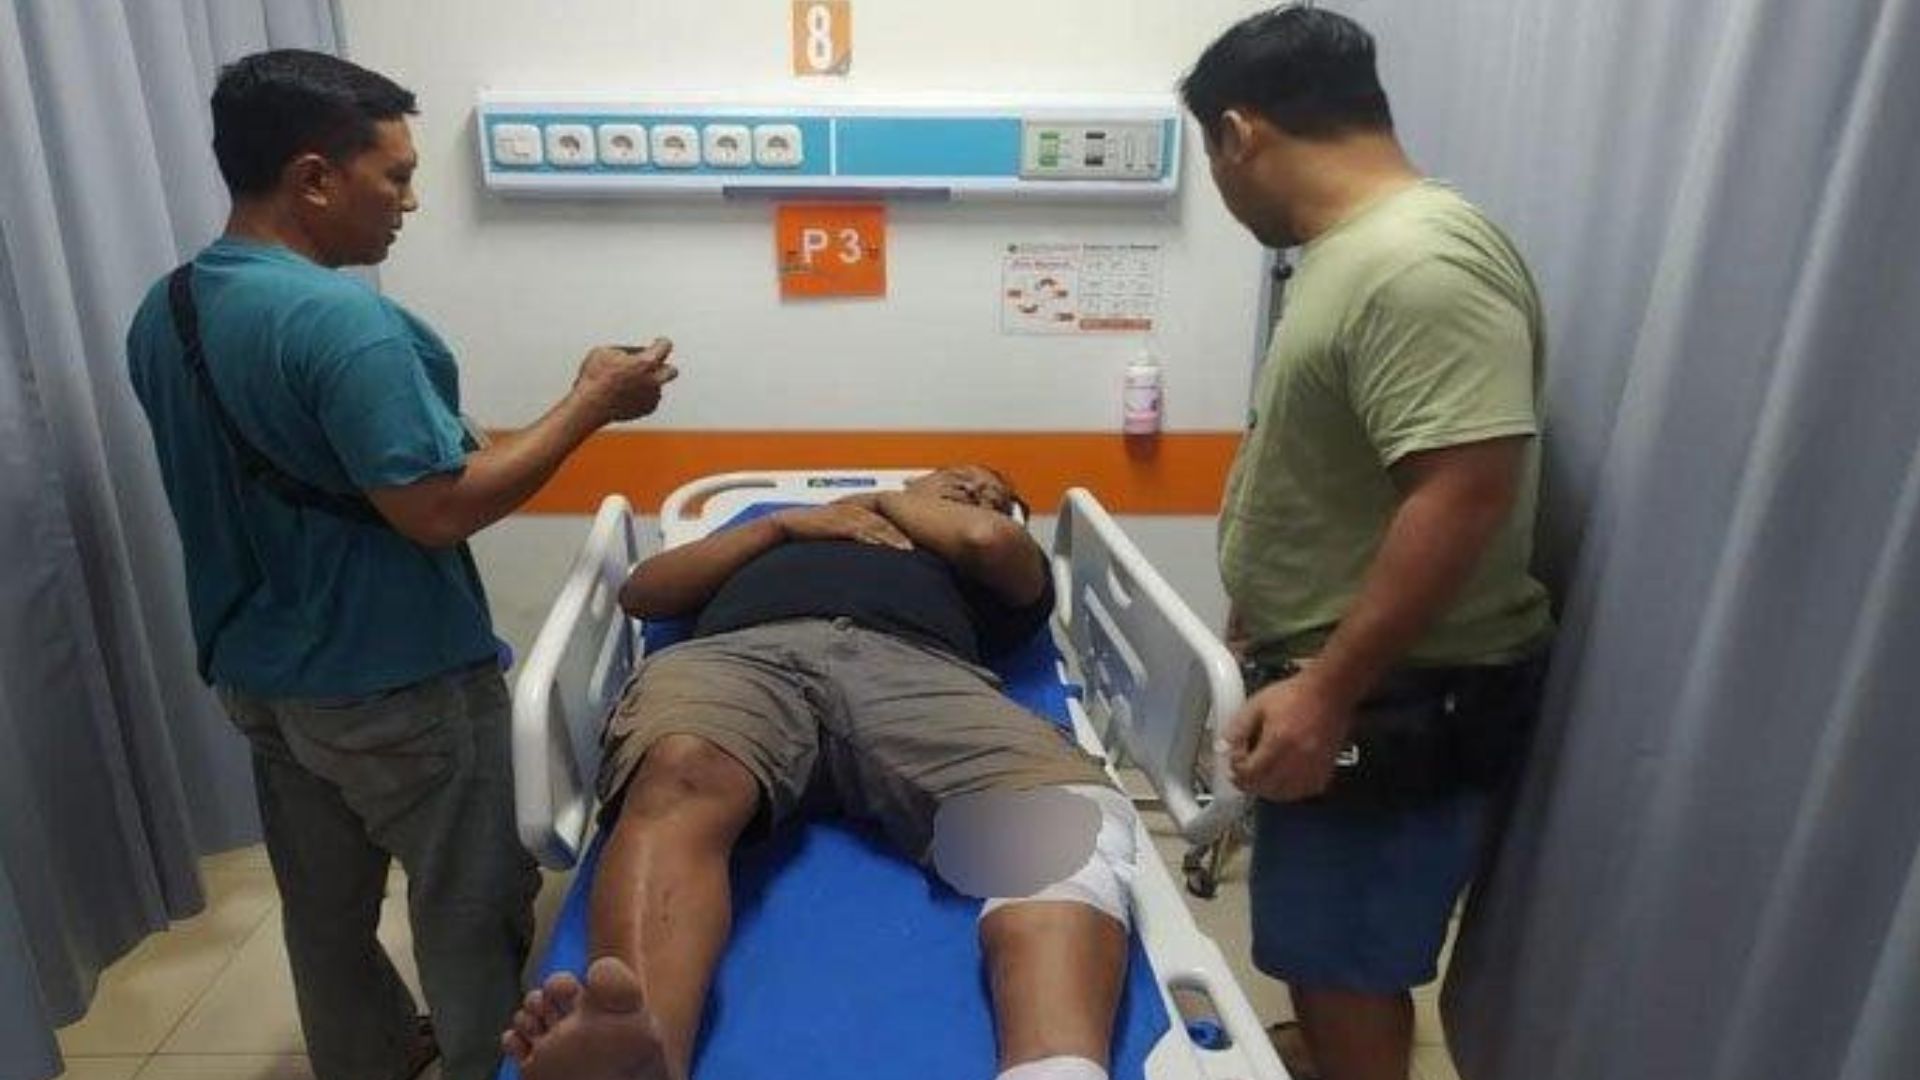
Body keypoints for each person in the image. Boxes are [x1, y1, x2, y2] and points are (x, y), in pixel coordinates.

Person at [124, 49, 680, 1080]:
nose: (411, 202)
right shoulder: (348, 326)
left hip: (263, 678)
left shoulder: (171, 310)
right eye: (396, 176)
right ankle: (488, 1064)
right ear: (313, 178)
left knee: (324, 912)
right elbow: (436, 507)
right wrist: (593, 404)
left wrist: (567, 409)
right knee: (470, 905)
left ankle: (368, 1059)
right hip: (396, 684)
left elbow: (391, 461)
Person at [1182, 8, 1554, 1080]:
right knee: (1323, 944)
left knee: (1343, 962)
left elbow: (1465, 492)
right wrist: (1266, 612)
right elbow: (1344, 465)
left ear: (1239, 133)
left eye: (1215, 157)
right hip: (1351, 673)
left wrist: (1329, 689)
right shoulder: (1353, 257)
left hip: (1397, 695)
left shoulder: (1415, 264)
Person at [499, 466, 1141, 1080]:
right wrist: (781, 527)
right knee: (681, 769)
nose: (975, 487)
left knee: (1063, 818)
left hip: (915, 668)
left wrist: (888, 501)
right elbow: (644, 592)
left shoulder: (986, 561)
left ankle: (1054, 1066)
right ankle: (640, 1053)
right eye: (962, 473)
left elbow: (985, 537)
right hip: (741, 656)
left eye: (993, 492)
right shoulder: (782, 531)